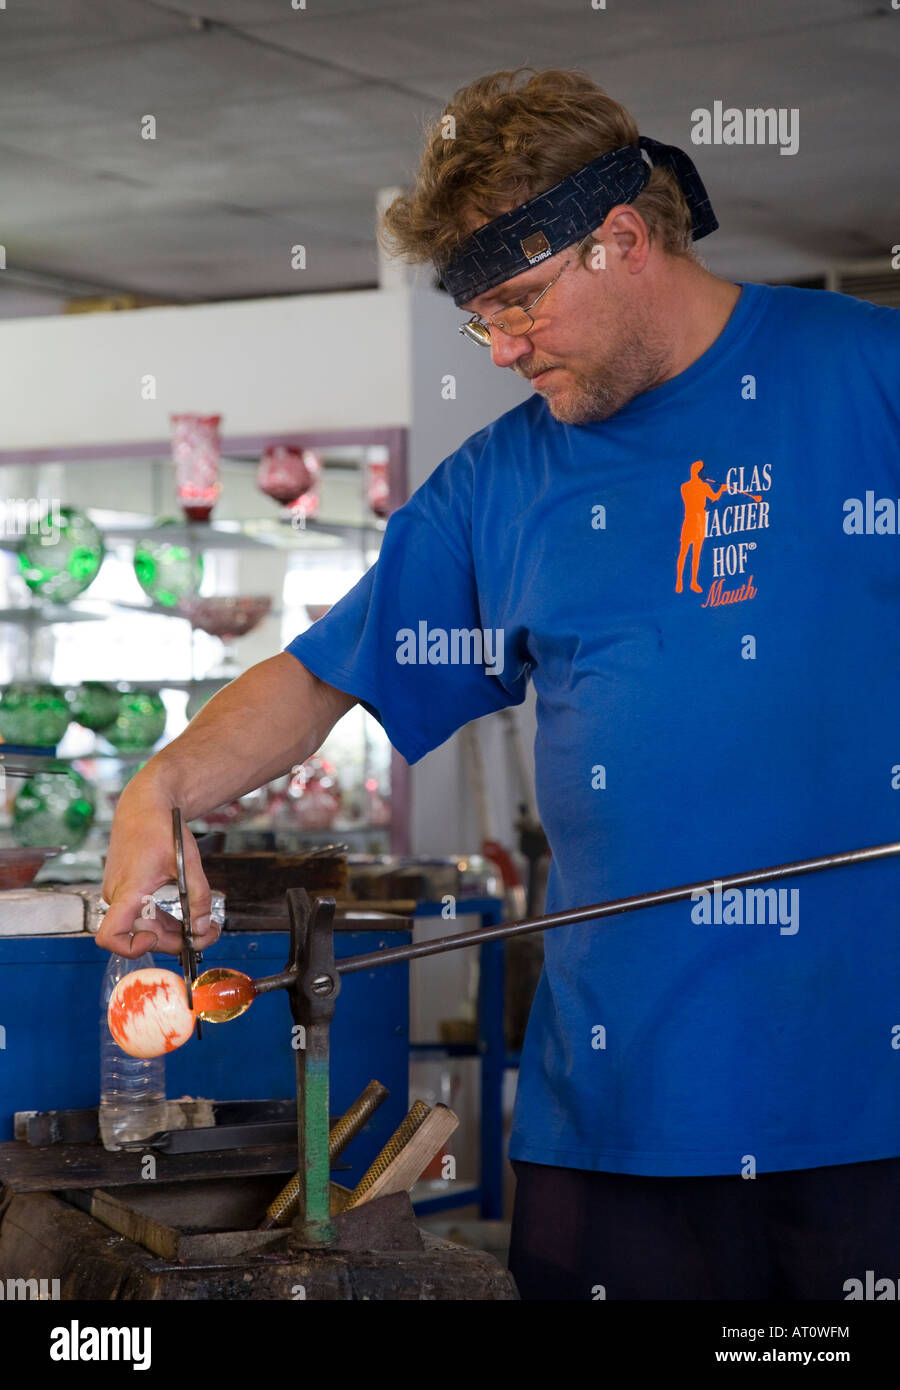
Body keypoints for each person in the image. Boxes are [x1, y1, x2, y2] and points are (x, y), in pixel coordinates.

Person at [98, 66, 900, 1300]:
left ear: (623, 239)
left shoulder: (869, 374)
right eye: (482, 319)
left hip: (871, 1105)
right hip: (615, 1109)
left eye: (523, 302)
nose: (505, 347)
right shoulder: (501, 483)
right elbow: (325, 675)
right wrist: (160, 788)